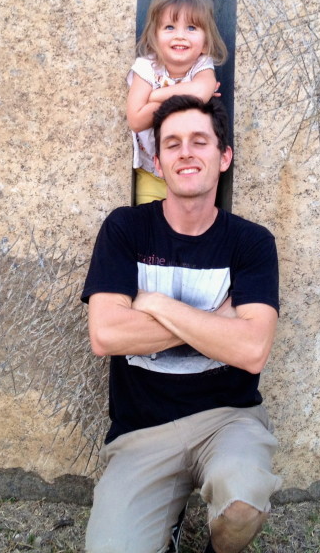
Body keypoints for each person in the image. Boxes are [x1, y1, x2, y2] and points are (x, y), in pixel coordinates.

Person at [82, 95, 282, 553]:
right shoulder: (125, 230)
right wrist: (215, 323)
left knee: (244, 499)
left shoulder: (251, 243)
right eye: (172, 144)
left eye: (200, 141)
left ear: (223, 156)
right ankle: (163, 526)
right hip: (142, 430)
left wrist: (153, 304)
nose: (186, 152)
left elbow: (252, 350)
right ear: (157, 160)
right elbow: (107, 334)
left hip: (228, 420)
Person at [127, 0, 228, 205]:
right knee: (150, 225)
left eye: (191, 27)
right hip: (152, 171)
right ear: (154, 37)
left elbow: (201, 92)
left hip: (194, 171)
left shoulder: (202, 64)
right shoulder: (146, 68)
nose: (179, 35)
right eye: (169, 27)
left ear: (206, 43)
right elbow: (136, 120)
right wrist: (186, 91)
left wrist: (157, 95)